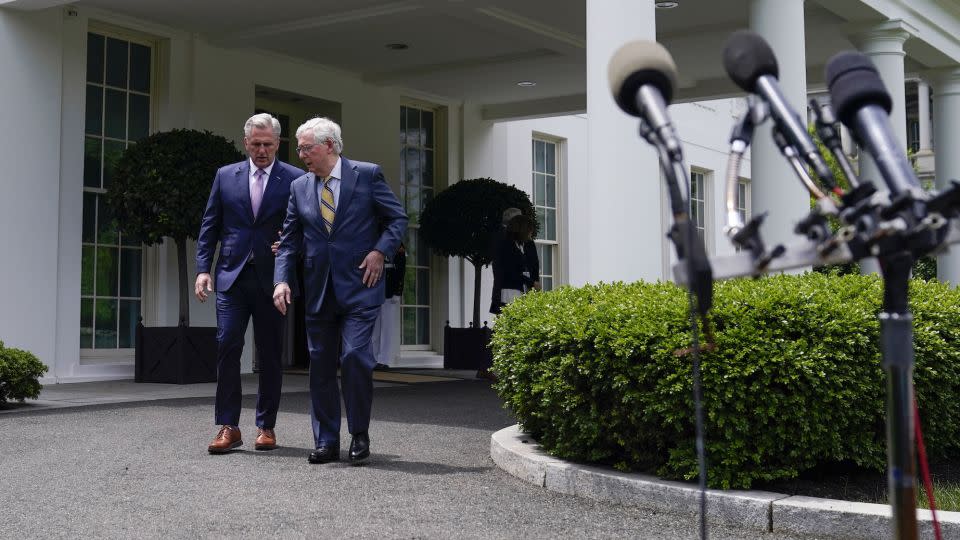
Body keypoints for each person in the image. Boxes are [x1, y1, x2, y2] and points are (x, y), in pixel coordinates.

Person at [272, 117, 407, 465]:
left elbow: (397, 219)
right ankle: (326, 439)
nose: (301, 154)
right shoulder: (299, 187)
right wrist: (282, 279)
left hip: (362, 285)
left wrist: (380, 252)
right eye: (299, 148)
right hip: (318, 290)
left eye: (307, 147)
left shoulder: (368, 174)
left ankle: (359, 433)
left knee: (355, 357)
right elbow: (288, 241)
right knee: (320, 366)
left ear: (329, 145)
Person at [195, 113, 305, 454]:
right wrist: (203, 269)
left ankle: (266, 426)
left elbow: (308, 226)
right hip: (231, 276)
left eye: (268, 145)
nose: (261, 150)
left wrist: (291, 245)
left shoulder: (296, 179)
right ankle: (229, 426)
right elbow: (210, 225)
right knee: (228, 345)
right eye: (256, 144)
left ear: (278, 144)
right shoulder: (225, 176)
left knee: (271, 353)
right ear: (246, 143)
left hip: (274, 281)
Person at [490, 208, 541, 316]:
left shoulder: (521, 244)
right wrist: (532, 282)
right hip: (511, 290)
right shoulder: (506, 243)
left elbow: (533, 264)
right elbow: (510, 271)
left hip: (522, 288)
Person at [371, 243, 406, 371]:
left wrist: (398, 291)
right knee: (374, 328)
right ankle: (373, 358)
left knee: (387, 328)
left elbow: (401, 269)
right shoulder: (374, 240)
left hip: (389, 289)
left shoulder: (397, 245)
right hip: (375, 288)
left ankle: (383, 359)